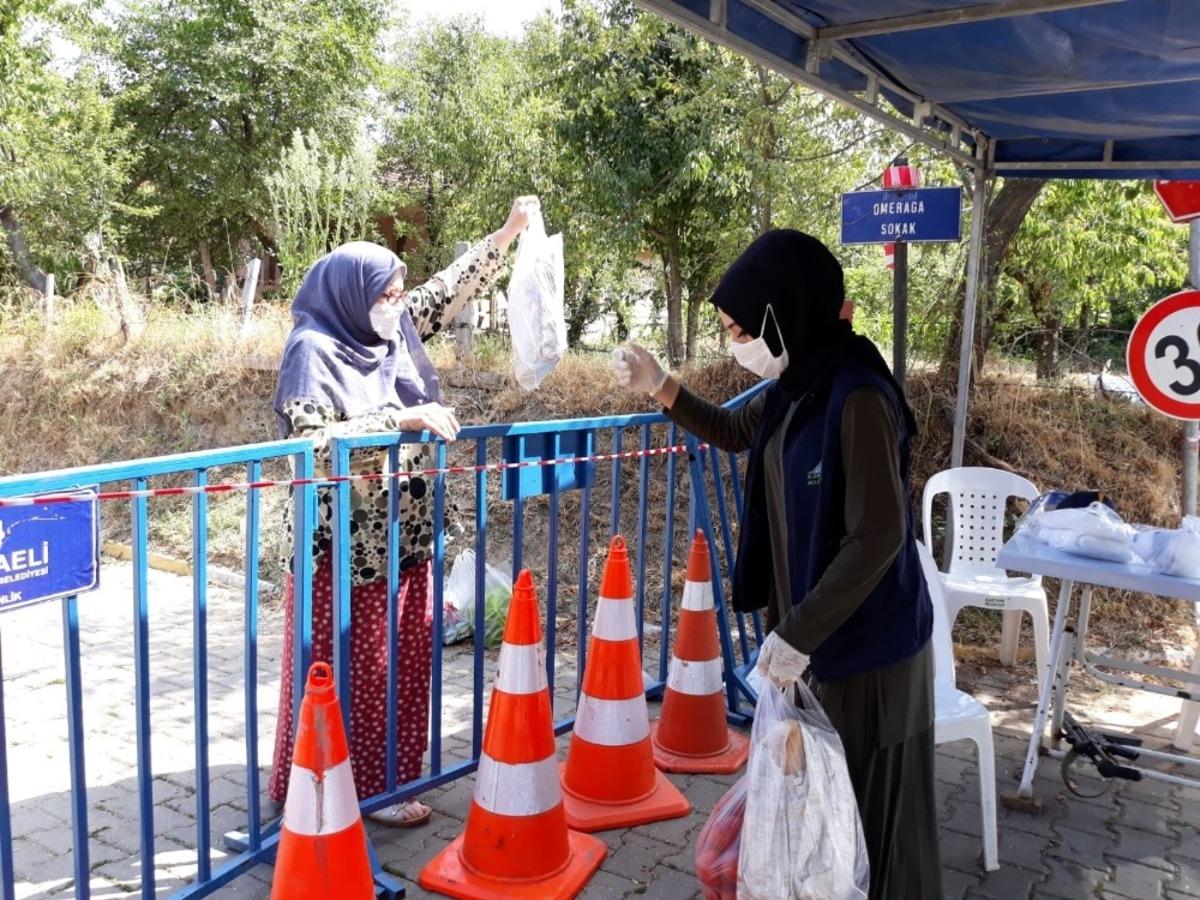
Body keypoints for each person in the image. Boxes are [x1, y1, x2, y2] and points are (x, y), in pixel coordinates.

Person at [613, 229, 941, 898]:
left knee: (871, 831)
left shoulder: (857, 394)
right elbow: (738, 432)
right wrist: (662, 386)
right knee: (821, 829)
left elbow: (878, 535)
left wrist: (795, 635)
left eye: (742, 330)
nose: (738, 344)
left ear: (784, 311)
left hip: (868, 654)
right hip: (814, 644)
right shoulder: (797, 385)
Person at [269, 196, 540, 827]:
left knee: (403, 664)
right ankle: (331, 787)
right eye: (385, 295)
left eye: (398, 293)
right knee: (346, 669)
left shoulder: (391, 330)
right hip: (343, 550)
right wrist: (400, 419)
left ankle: (389, 778)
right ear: (350, 295)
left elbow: (447, 291)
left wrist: (507, 233)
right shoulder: (312, 350)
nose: (397, 304)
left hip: (406, 535)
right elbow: (310, 445)